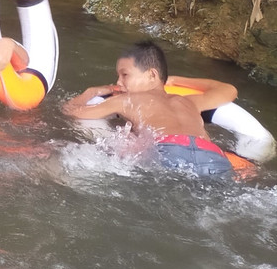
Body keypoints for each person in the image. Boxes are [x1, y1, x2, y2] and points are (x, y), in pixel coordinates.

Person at [62, 40, 238, 177]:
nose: (118, 83)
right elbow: (229, 90)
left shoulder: (127, 100)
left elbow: (72, 111)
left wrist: (91, 91)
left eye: (125, 75)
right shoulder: (189, 102)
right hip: (213, 156)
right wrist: (176, 80)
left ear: (152, 75)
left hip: (170, 152)